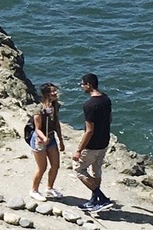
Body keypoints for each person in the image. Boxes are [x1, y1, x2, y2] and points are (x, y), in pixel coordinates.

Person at [73, 72, 115, 211]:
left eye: (82, 84)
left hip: (92, 146)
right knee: (96, 171)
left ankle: (100, 198)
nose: (81, 86)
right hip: (104, 142)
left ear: (89, 85)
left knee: (79, 170)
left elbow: (89, 130)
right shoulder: (106, 99)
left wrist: (79, 150)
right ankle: (94, 200)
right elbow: (109, 119)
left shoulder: (89, 105)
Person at [28, 81, 64, 199]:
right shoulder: (38, 109)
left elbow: (56, 123)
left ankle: (49, 188)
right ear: (46, 94)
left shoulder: (55, 105)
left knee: (55, 165)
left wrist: (61, 140)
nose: (55, 93)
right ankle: (34, 190)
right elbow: (37, 128)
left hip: (51, 137)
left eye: (55, 91)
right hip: (39, 140)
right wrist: (43, 138)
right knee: (42, 167)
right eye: (52, 91)